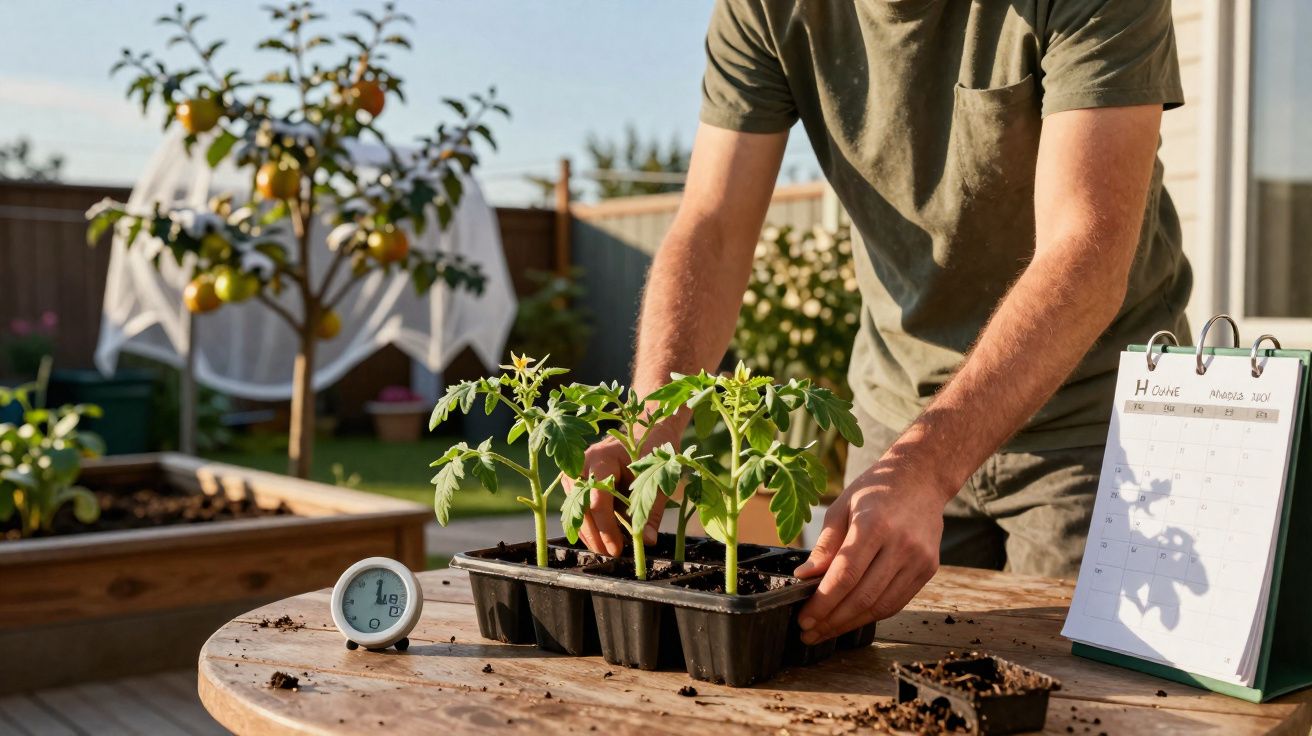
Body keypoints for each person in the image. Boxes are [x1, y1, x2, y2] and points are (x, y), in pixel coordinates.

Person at [569, 0, 1190, 646]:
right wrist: (652, 423)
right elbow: (712, 226)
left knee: (1092, 698)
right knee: (865, 683)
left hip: (1093, 428)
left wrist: (925, 466)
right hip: (900, 417)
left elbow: (1086, 252)